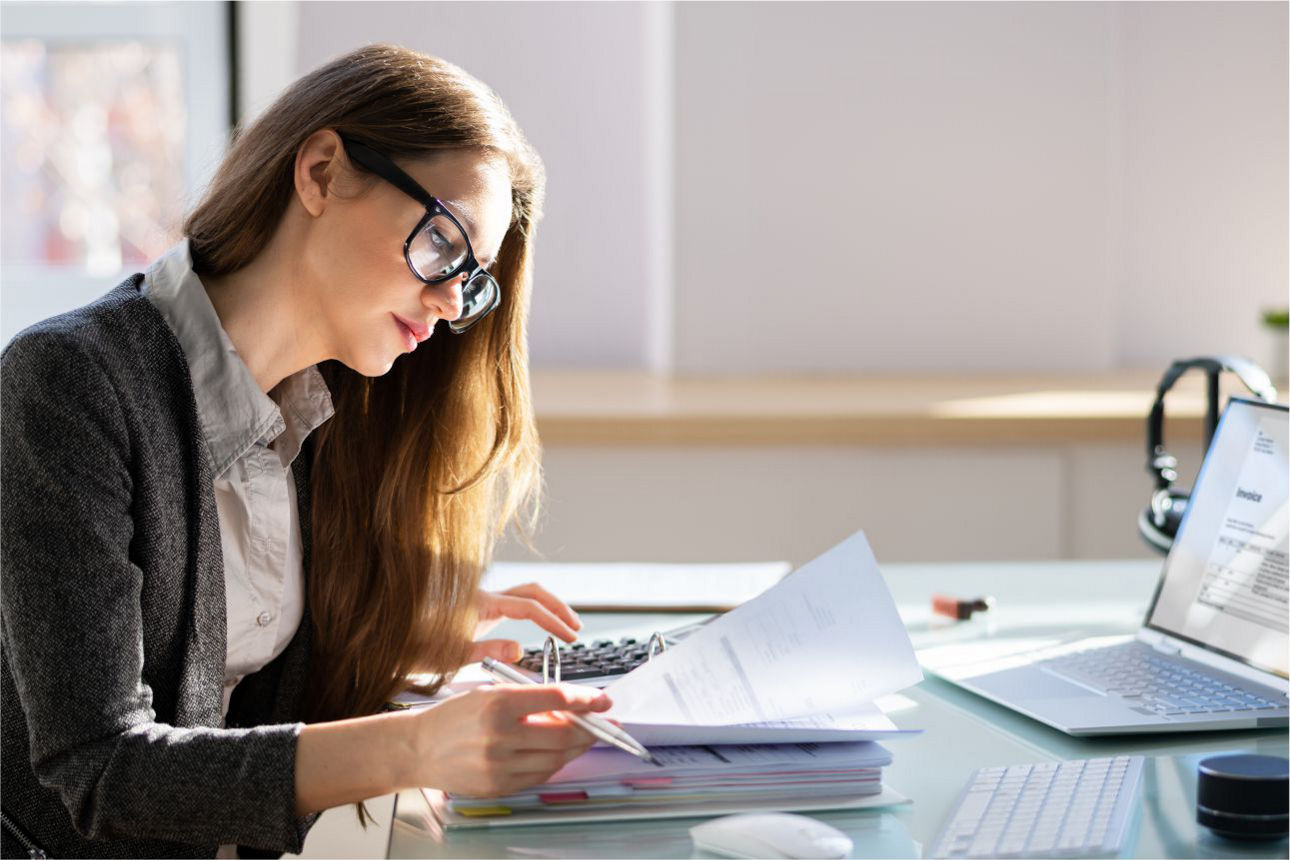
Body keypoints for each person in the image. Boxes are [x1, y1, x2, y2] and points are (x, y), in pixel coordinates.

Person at [0, 44, 611, 859]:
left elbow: (234, 700)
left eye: (474, 278)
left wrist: (393, 633)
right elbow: (102, 770)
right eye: (444, 243)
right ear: (321, 171)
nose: (449, 299)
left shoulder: (332, 410)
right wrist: (422, 744)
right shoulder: (70, 382)